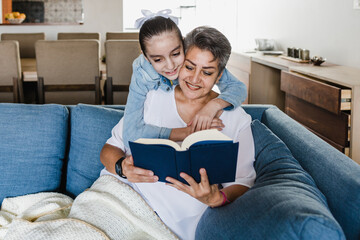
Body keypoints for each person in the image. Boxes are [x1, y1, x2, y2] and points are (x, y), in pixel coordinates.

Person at [100, 26, 256, 240]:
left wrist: (215, 198)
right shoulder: (152, 97)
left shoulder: (236, 118)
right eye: (189, 67)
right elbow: (109, 149)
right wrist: (121, 168)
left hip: (178, 224)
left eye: (207, 72)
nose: (195, 79)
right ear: (180, 61)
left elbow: (243, 181)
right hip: (123, 202)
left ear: (220, 75)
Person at [122, 11, 248, 148]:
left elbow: (238, 87)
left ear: (183, 45)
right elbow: (130, 135)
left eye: (176, 54)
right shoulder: (142, 77)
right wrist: (186, 132)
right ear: (146, 57)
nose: (170, 66)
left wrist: (212, 106)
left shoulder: (197, 58)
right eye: (158, 59)